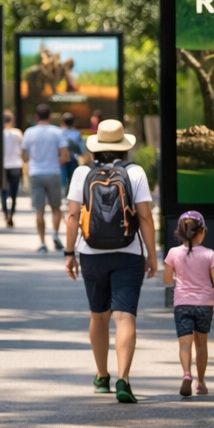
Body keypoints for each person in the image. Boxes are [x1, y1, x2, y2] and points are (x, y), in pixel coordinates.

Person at [63, 119, 156, 403]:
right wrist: (152, 255)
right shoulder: (135, 172)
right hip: (129, 253)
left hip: (91, 253)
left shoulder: (81, 173)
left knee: (98, 315)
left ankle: (102, 375)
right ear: (124, 147)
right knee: (125, 316)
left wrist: (69, 254)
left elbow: (71, 217)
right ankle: (124, 379)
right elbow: (144, 217)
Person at [162, 211, 214, 397]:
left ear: (179, 233)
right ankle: (201, 383)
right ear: (202, 232)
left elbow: (166, 279)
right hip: (204, 304)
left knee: (185, 344)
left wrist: (179, 278)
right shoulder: (209, 254)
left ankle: (186, 374)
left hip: (182, 304)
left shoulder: (173, 253)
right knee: (201, 344)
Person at [21, 103, 67, 253]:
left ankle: (42, 242)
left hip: (35, 173)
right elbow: (65, 155)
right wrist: (54, 163)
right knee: (56, 208)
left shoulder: (29, 132)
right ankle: (55, 234)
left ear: (36, 117)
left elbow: (24, 156)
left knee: (39, 210)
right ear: (51, 117)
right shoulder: (57, 132)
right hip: (53, 172)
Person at [0, 110, 23, 228]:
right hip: (15, 164)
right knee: (14, 193)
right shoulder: (17, 133)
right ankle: (11, 215)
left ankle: (5, 213)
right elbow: (22, 148)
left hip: (3, 165)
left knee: (3, 192)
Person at [57, 111, 85, 193]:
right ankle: (69, 194)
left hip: (60, 159)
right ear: (73, 122)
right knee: (72, 178)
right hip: (73, 158)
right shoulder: (77, 133)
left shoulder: (59, 132)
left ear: (62, 121)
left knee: (62, 177)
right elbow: (81, 148)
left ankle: (62, 194)